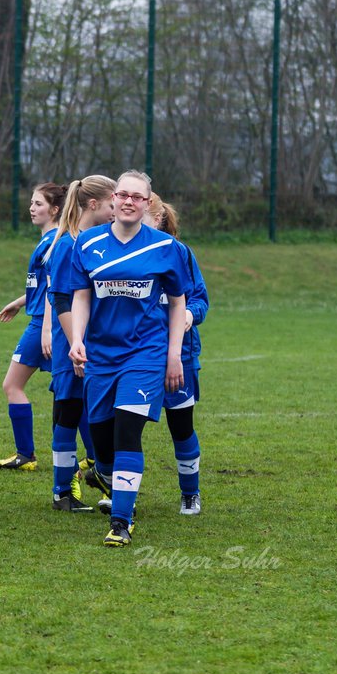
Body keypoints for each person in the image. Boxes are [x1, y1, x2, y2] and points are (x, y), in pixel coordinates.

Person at [66, 170, 191, 547]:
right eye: (123, 194)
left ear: (148, 203)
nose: (129, 201)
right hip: (101, 356)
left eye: (138, 197)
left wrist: (173, 356)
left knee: (126, 432)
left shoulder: (166, 249)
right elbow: (81, 295)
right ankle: (110, 479)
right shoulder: (87, 243)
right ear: (114, 199)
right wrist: (77, 340)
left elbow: (179, 302)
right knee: (101, 443)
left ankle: (121, 520)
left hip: (145, 353)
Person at [44, 176, 114, 512]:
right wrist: (76, 342)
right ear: (94, 204)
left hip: (93, 344)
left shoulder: (96, 241)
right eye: (113, 203)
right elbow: (59, 298)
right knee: (68, 413)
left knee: (82, 411)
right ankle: (62, 492)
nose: (118, 210)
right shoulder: (68, 244)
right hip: (73, 345)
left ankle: (96, 476)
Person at [0, 184, 62, 472]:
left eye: (38, 204)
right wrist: (19, 302)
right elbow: (42, 285)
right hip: (40, 319)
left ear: (55, 209)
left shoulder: (56, 241)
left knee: (16, 385)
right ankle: (31, 454)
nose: (32, 208)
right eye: (31, 203)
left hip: (47, 323)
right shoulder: (48, 240)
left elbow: (55, 288)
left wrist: (45, 328)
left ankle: (28, 455)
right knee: (67, 390)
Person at [144, 195, 209, 515]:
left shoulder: (179, 253)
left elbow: (199, 300)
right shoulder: (114, 247)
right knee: (123, 427)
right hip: (133, 354)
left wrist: (188, 316)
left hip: (178, 355)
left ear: (156, 219)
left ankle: (190, 493)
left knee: (181, 426)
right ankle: (117, 490)